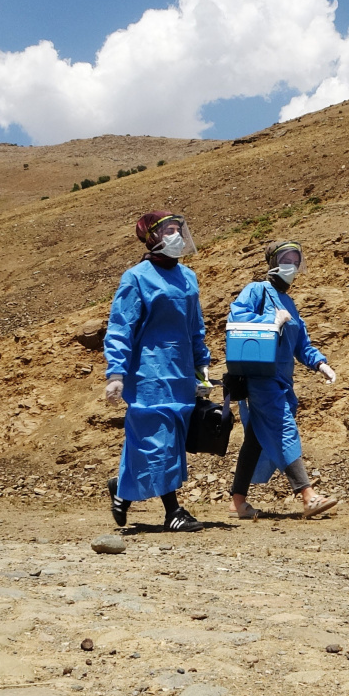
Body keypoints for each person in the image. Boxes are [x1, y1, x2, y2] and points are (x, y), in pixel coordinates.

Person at [103, 211, 212, 532]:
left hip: (180, 375)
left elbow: (195, 327)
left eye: (180, 230)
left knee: (169, 442)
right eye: (170, 231)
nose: (177, 236)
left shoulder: (188, 278)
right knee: (158, 441)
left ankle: (122, 490)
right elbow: (120, 328)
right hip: (148, 375)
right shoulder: (136, 278)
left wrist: (201, 367)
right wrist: (116, 374)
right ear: (152, 237)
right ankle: (173, 511)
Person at [226, 240, 340, 520]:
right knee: (282, 428)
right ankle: (307, 495)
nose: (292, 264)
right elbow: (236, 320)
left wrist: (320, 363)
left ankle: (237, 501)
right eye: (286, 258)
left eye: (296, 259)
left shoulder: (289, 303)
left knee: (255, 439)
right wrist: (270, 324)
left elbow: (302, 344)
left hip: (281, 381)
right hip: (260, 377)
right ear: (273, 261)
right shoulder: (256, 290)